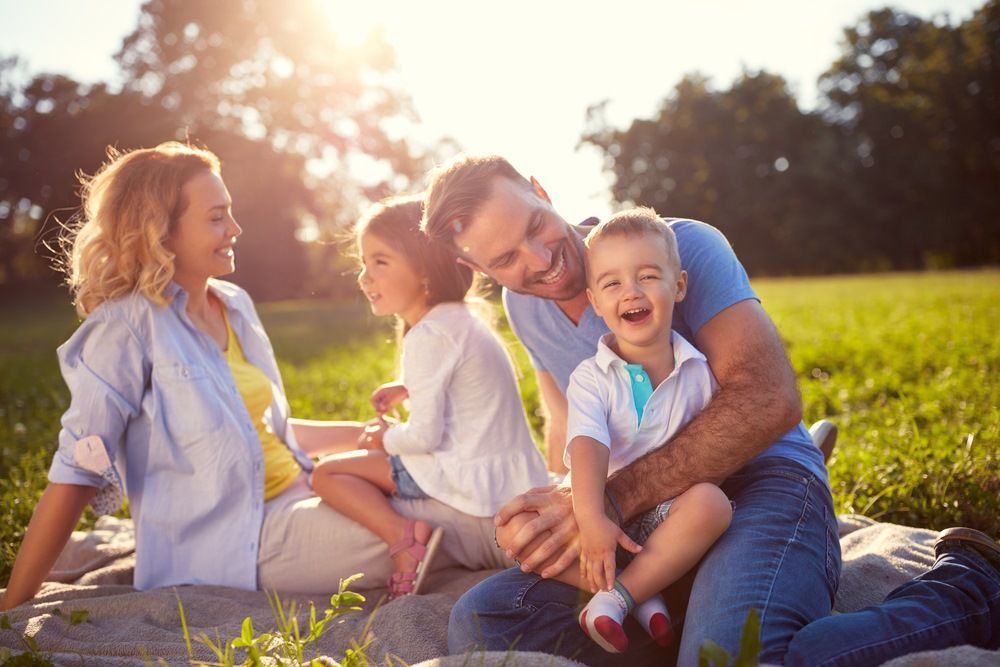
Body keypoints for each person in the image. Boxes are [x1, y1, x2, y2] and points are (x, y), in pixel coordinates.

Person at [422, 154, 1000, 665]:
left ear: (540, 189)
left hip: (760, 479)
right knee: (485, 621)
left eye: (535, 225)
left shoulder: (681, 246)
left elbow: (767, 399)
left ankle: (971, 591)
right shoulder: (525, 308)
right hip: (647, 521)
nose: (541, 257)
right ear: (480, 272)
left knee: (731, 658)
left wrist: (609, 499)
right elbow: (573, 423)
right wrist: (559, 508)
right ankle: (680, 617)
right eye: (506, 258)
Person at [0, 143, 511, 611]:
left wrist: (369, 438)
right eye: (217, 217)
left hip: (301, 490)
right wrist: (15, 601)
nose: (235, 229)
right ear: (163, 231)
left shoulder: (234, 305)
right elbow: (77, 472)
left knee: (448, 485)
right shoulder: (123, 328)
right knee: (444, 522)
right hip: (237, 542)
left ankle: (554, 529)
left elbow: (267, 433)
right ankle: (549, 547)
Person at [497, 208, 732, 654]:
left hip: (667, 516)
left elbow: (713, 454)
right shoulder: (592, 376)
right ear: (597, 301)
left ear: (678, 285)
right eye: (612, 284)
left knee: (712, 504)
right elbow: (587, 446)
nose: (631, 292)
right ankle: (642, 593)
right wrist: (591, 518)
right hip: (600, 510)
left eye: (647, 276)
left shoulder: (699, 371)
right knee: (515, 529)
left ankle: (616, 598)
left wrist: (681, 506)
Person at [308, 195, 548, 599]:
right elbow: (461, 383)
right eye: (364, 263)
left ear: (423, 271)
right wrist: (407, 386)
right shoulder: (461, 319)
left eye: (380, 262)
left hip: (469, 482)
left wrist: (381, 439)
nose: (364, 277)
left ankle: (404, 538)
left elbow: (423, 438)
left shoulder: (428, 335)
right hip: (511, 478)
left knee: (327, 473)